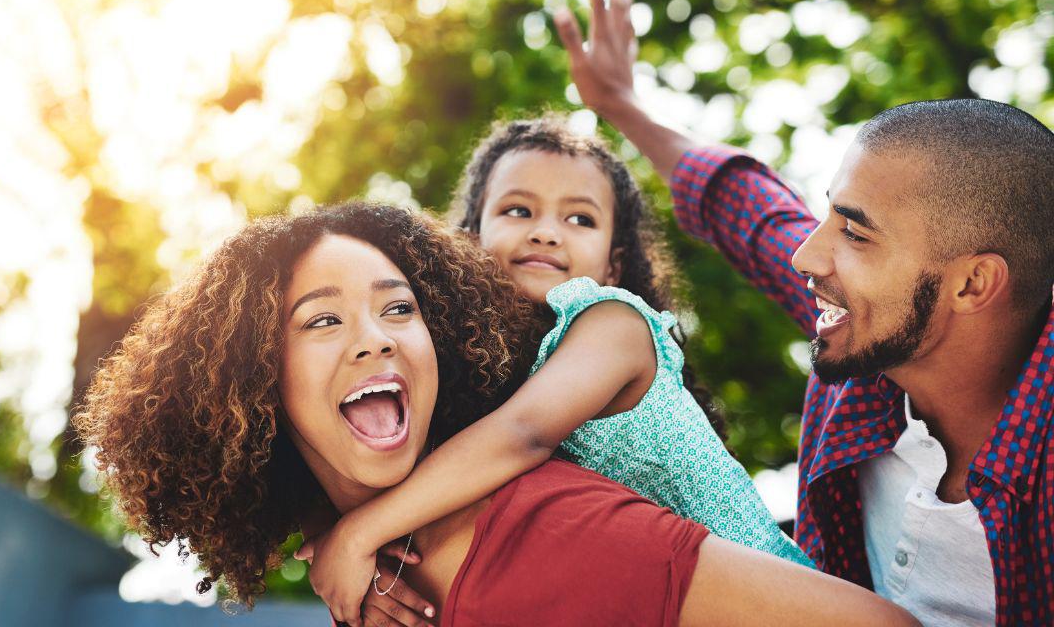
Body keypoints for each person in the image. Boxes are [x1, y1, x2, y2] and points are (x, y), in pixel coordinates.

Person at [76, 202, 916, 626]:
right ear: (254, 387)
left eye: (399, 309)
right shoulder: (381, 593)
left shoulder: (538, 523)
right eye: (322, 319)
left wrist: (358, 536)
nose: (377, 341)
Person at [550, 0, 1054, 627]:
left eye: (857, 233)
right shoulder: (871, 341)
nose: (807, 255)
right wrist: (621, 105)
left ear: (972, 283)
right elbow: (748, 208)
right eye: (827, 216)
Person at [298, 116, 810, 626]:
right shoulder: (477, 373)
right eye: (518, 210)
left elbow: (523, 435)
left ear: (614, 264)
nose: (545, 233)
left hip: (772, 599)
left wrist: (358, 536)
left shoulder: (614, 323)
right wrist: (330, 537)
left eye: (580, 220)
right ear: (470, 238)